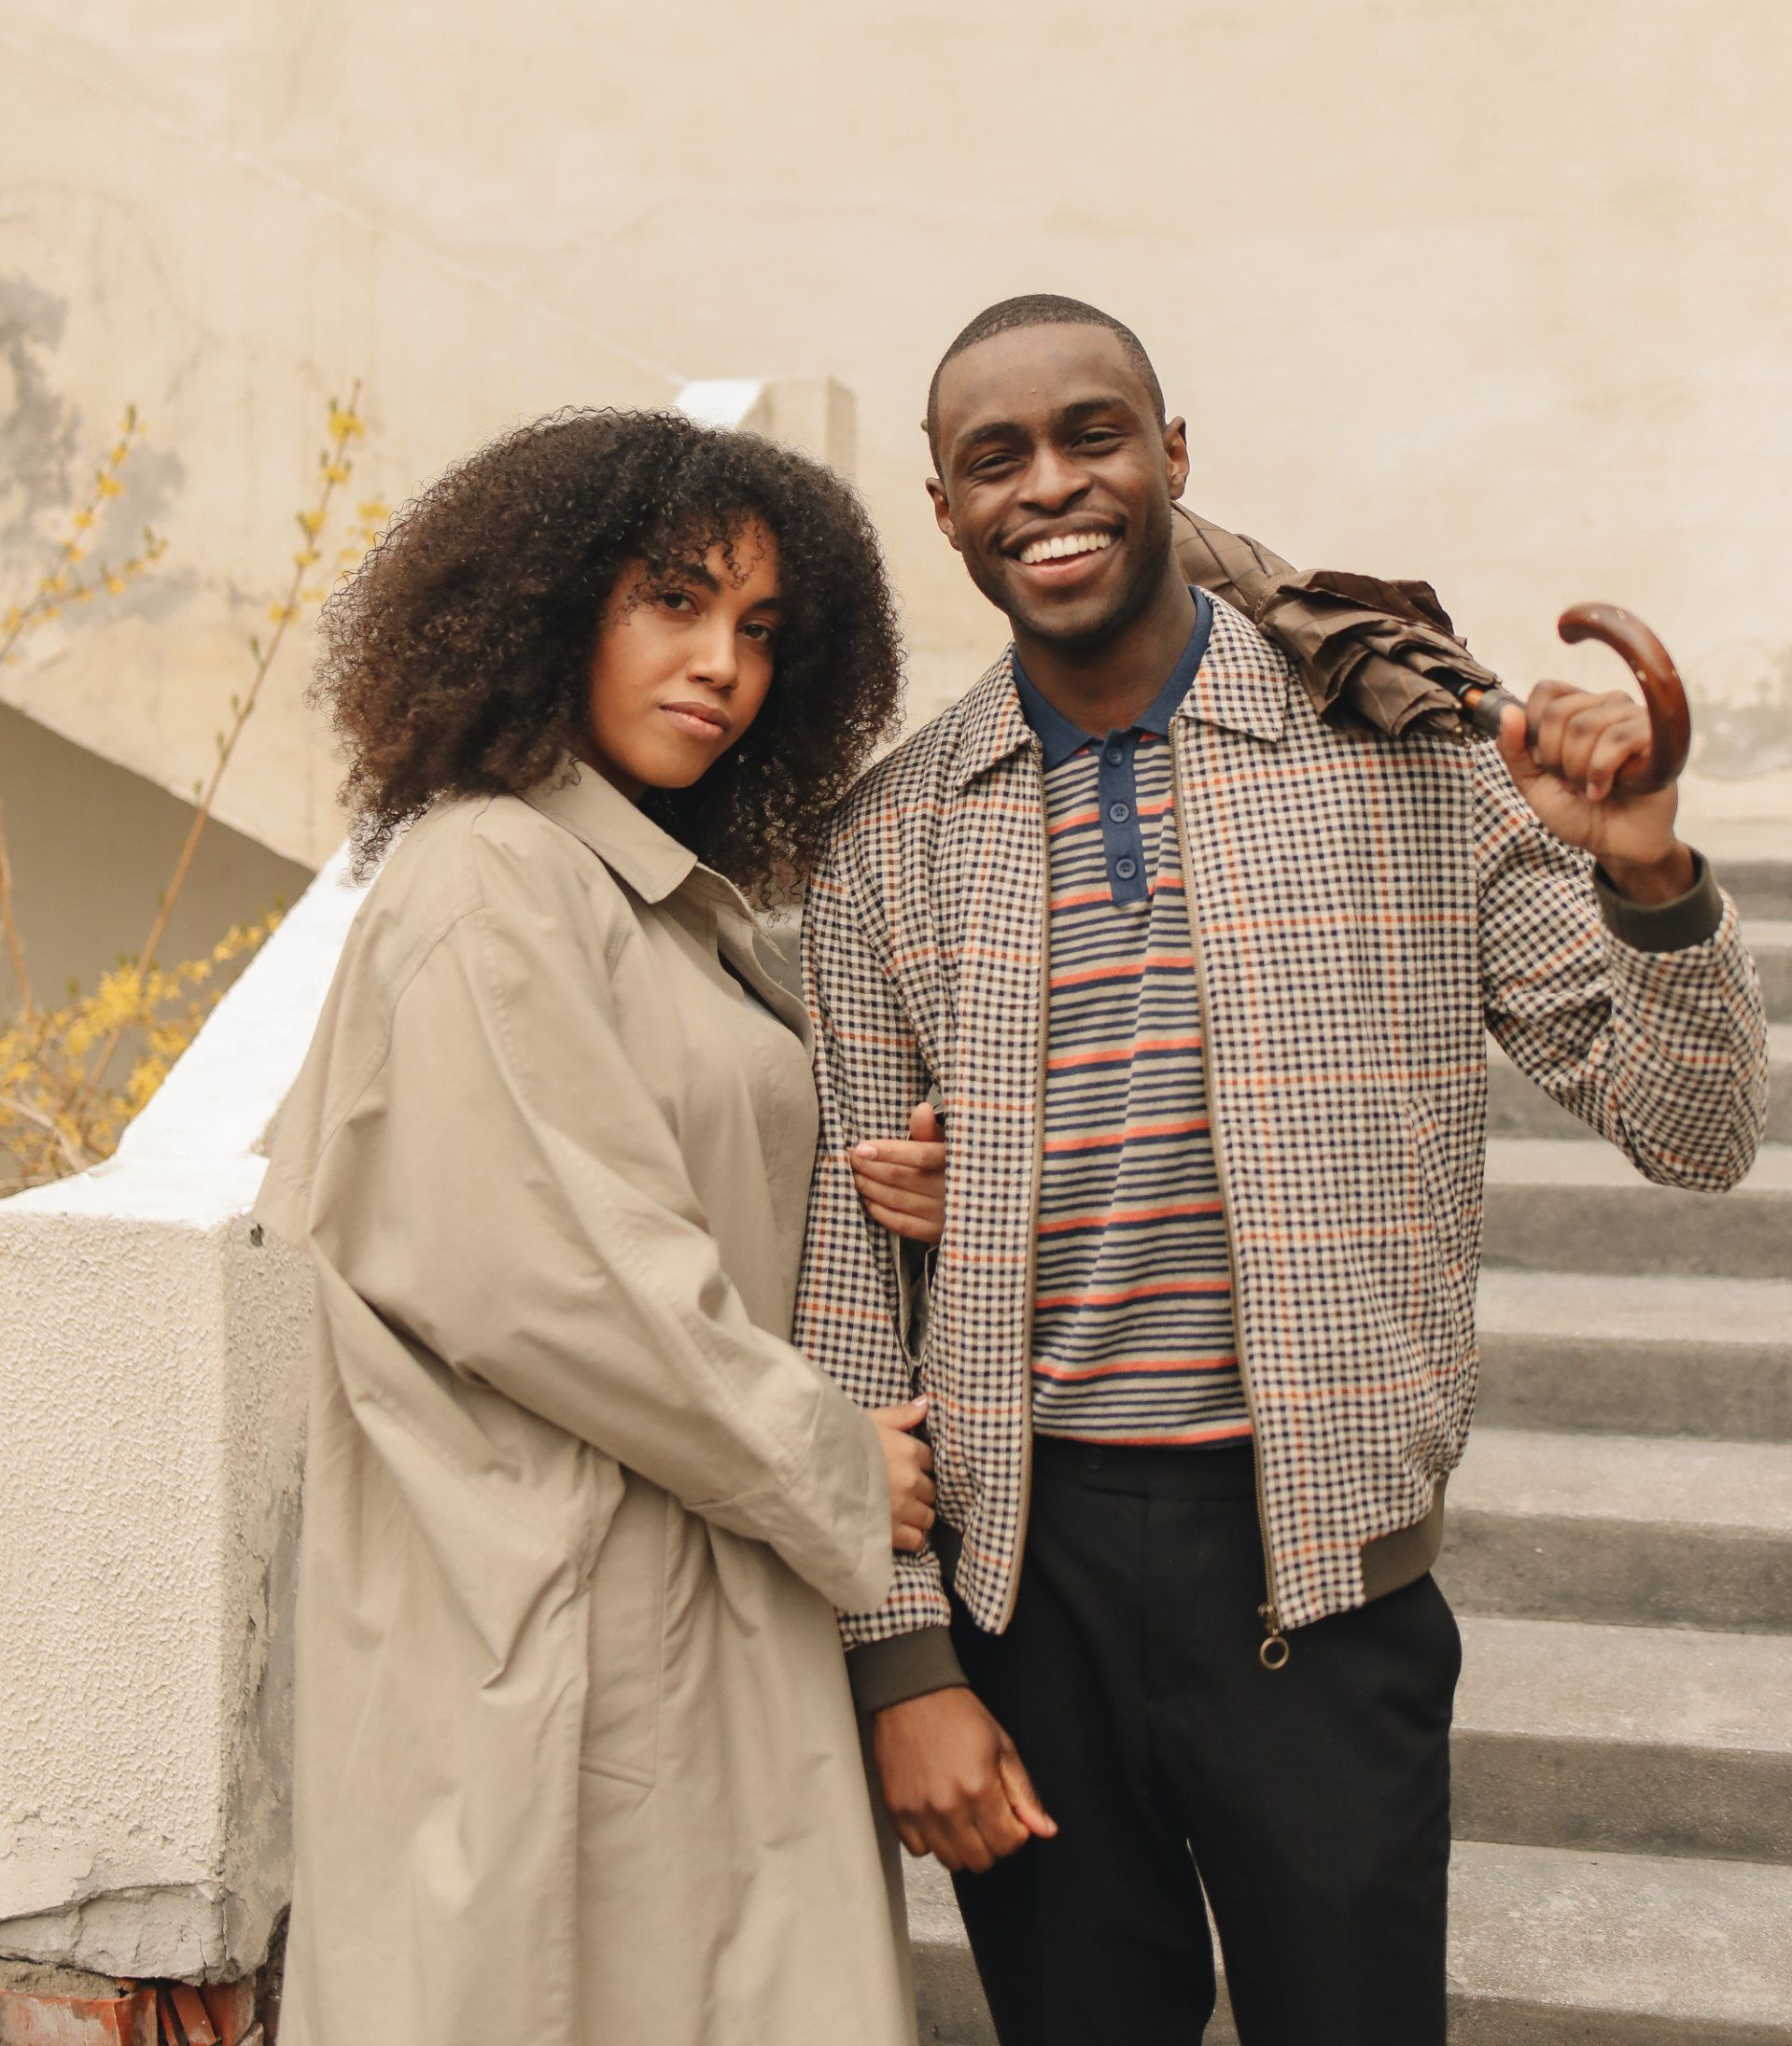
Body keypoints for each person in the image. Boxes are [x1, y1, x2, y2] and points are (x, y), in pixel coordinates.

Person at [794, 294, 1769, 2046]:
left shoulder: (1407, 761)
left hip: (1321, 1583)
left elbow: (1695, 1136)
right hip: (1029, 1591)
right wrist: (904, 1660)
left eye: (1092, 434)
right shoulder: (895, 836)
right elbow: (850, 1283)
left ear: (1173, 458)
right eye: (992, 458)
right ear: (943, 512)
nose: (1049, 487)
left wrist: (1646, 874)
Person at [256, 408, 943, 2046]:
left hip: (683, 1598)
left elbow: (645, 1188)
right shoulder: (488, 882)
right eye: (676, 603)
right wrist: (847, 1464)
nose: (722, 665)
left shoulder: (644, 903)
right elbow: (569, 1284)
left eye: (761, 631)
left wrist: (860, 1185)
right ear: (552, 608)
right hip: (555, 1617)